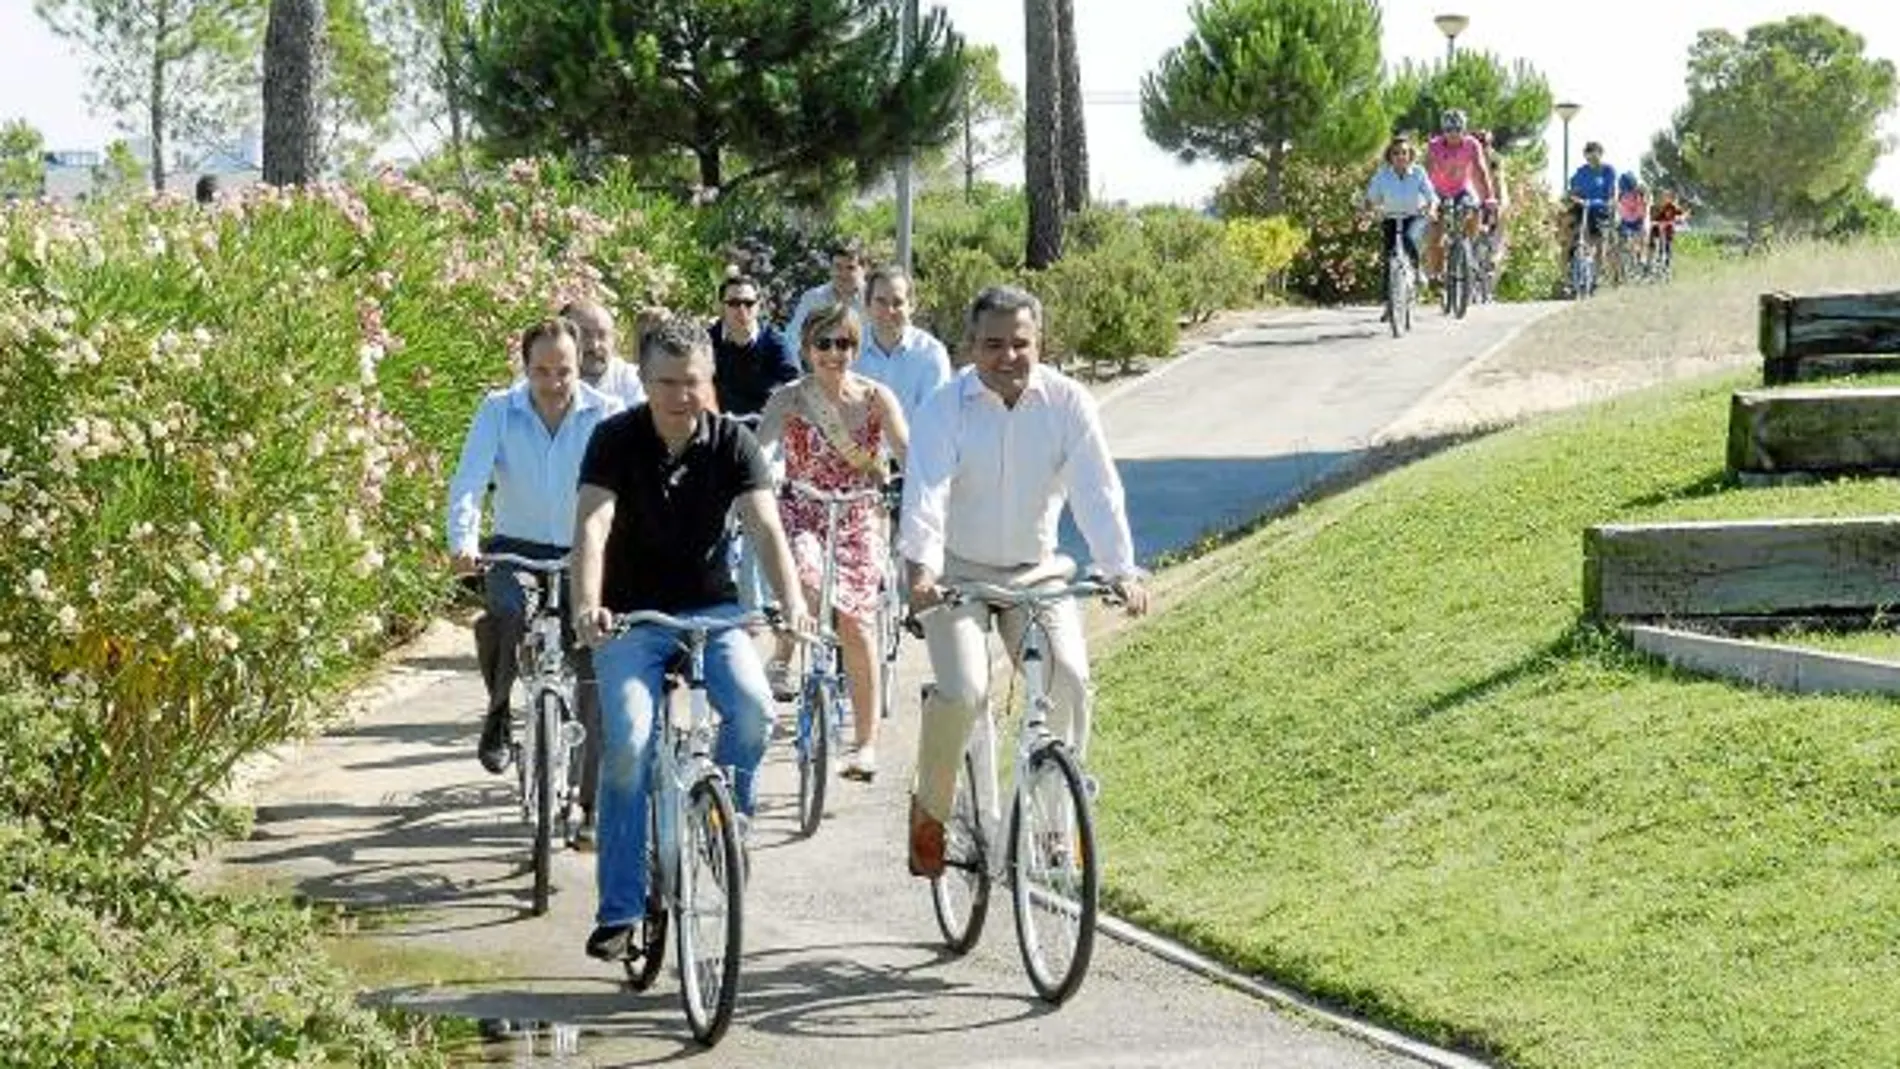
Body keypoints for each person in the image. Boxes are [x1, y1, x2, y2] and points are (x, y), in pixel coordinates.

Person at [571, 315, 811, 961]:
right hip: (629, 617)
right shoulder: (613, 438)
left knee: (756, 709)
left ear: (711, 381)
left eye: (695, 382)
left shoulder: (733, 442)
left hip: (712, 610)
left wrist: (791, 604)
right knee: (629, 742)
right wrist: (587, 603)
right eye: (667, 382)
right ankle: (620, 908)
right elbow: (593, 525)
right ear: (644, 381)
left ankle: (727, 820)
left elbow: (765, 528)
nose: (682, 396)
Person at [898, 284, 1151, 878]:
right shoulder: (943, 406)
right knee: (964, 693)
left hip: (1037, 570)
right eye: (993, 345)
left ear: (1042, 344)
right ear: (970, 347)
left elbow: (1097, 490)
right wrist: (922, 571)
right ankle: (930, 814)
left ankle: (1057, 824)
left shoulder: (1068, 403)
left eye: (1020, 344)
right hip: (955, 571)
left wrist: (1120, 569)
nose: (1007, 357)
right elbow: (926, 494)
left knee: (1069, 679)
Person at [447, 318, 623, 812]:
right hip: (514, 548)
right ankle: (499, 712)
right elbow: (469, 481)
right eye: (541, 371)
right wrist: (463, 541)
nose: (552, 383)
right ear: (525, 368)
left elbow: (632, 485)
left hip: (582, 551)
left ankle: (590, 798)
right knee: (504, 618)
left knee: (592, 652)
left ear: (580, 365)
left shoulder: (608, 413)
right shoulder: (499, 411)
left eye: (563, 371)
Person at [757, 303, 910, 781]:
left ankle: (865, 745)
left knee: (858, 625)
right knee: (802, 581)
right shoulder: (788, 399)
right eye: (823, 343)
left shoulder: (876, 398)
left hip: (860, 513)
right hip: (803, 509)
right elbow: (761, 451)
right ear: (806, 348)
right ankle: (792, 651)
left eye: (843, 343)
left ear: (855, 348)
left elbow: (909, 453)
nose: (833, 353)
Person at [854, 266, 952, 425]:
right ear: (867, 304)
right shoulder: (847, 349)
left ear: (911, 306)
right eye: (881, 301)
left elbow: (936, 419)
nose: (889, 310)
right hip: (855, 448)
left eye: (897, 302)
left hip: (914, 448)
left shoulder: (931, 354)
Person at [1362, 135, 1438, 318]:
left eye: (1404, 152)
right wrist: (1368, 210)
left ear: (1410, 154)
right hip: (1390, 218)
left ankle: (1418, 272)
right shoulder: (1382, 175)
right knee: (1390, 259)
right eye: (1396, 153)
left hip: (1414, 217)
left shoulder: (1418, 172)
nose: (1400, 156)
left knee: (1408, 238)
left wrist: (1432, 208)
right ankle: (1390, 305)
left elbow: (1431, 196)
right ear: (1390, 156)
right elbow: (1371, 197)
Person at [709, 275, 800, 419]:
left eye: (748, 303)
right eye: (733, 303)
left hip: (762, 426)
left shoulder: (775, 343)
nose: (741, 309)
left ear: (758, 306)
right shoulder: (706, 341)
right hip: (717, 426)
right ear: (721, 306)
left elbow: (792, 388)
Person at [1422, 110, 1496, 283]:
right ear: (1443, 130)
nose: (1453, 134)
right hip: (1438, 191)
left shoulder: (1472, 144)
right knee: (1435, 237)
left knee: (1474, 209)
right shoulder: (1434, 145)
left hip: (1462, 189)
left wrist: (1489, 197)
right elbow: (1425, 174)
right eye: (1448, 130)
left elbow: (1481, 171)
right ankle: (1438, 275)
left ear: (1464, 129)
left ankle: (1468, 246)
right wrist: (1424, 198)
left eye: (1457, 129)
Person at [560, 300, 646, 408]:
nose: (594, 345)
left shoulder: (632, 380)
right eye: (584, 334)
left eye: (602, 335)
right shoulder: (543, 379)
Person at [786, 240, 868, 352]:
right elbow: (792, 338)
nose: (843, 274)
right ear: (831, 268)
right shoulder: (813, 298)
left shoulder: (874, 299)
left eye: (850, 268)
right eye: (838, 267)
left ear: (863, 270)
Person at [1567, 142, 1618, 267]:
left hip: (1601, 209)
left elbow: (1613, 192)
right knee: (1569, 224)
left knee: (1598, 242)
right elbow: (1573, 190)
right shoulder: (1581, 171)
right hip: (1583, 206)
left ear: (1601, 154)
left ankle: (1596, 272)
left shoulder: (1608, 171)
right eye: (1588, 157)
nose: (1591, 161)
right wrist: (1572, 197)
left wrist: (1611, 203)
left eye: (1595, 157)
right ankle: (1571, 264)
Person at [1615, 174, 1650, 276]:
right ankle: (1622, 265)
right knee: (1621, 242)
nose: (1627, 191)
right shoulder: (1621, 194)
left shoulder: (1640, 193)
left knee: (1638, 242)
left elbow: (1644, 208)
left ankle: (1641, 261)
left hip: (1638, 220)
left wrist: (1644, 200)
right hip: (1625, 221)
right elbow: (1619, 207)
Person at [1648, 189, 1690, 270]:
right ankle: (1658, 262)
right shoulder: (1655, 207)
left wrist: (1682, 217)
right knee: (1659, 247)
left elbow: (1682, 216)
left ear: (1671, 198)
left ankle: (1667, 265)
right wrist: (1656, 223)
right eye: (1663, 197)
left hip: (1668, 232)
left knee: (1667, 247)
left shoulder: (1673, 207)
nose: (1664, 199)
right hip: (1657, 232)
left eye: (1667, 197)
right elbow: (1652, 219)